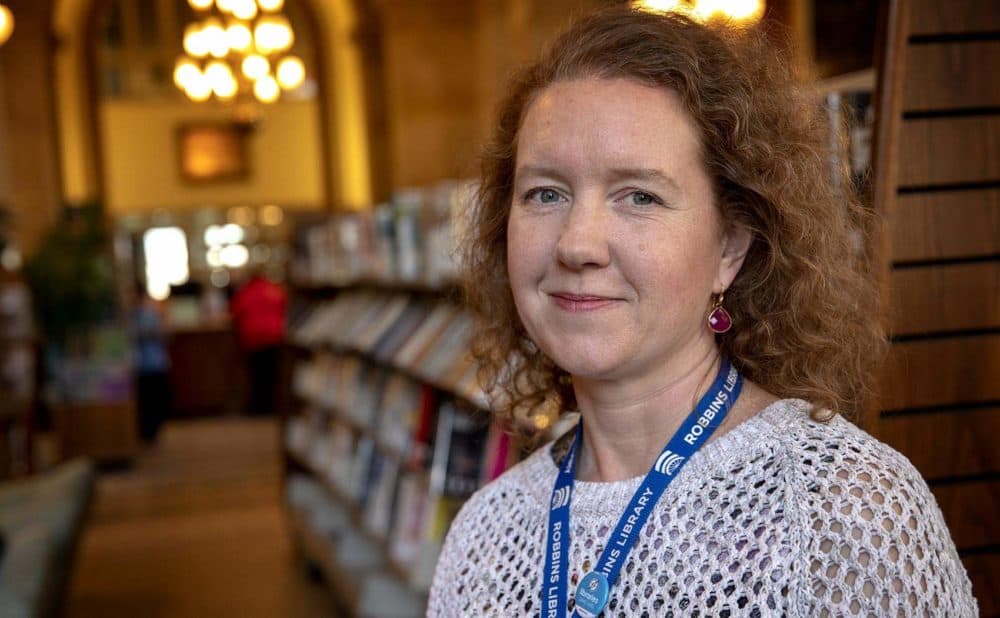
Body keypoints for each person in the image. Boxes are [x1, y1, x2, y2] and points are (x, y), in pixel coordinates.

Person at [428, 7, 977, 617]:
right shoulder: (484, 537)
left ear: (730, 247)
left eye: (640, 195)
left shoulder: (844, 514)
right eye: (546, 193)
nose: (577, 244)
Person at [229, 268, 287, 415]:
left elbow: (235, 311)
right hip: (273, 339)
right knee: (271, 377)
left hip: (254, 340)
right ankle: (271, 408)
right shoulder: (273, 290)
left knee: (257, 378)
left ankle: (259, 408)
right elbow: (284, 305)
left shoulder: (246, 292)